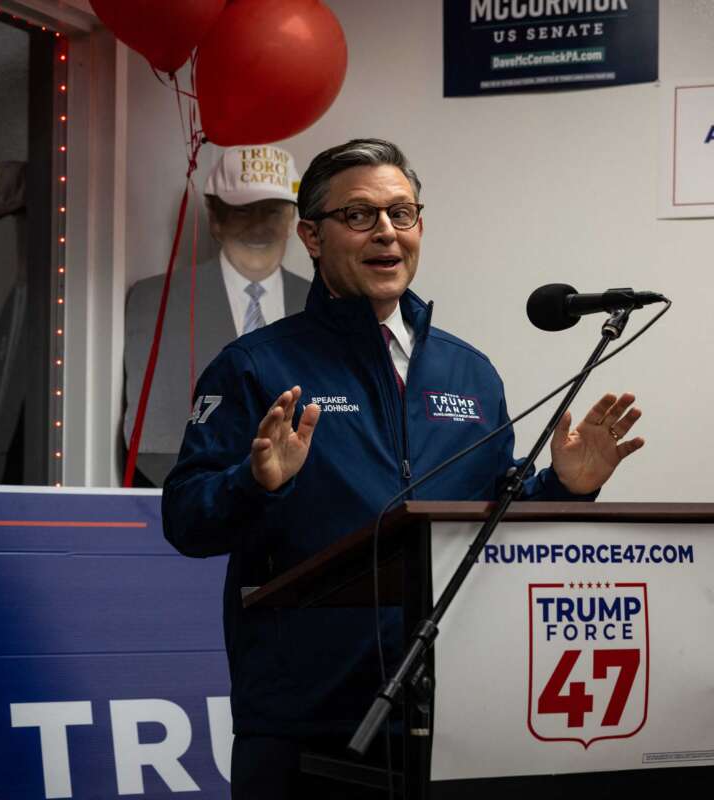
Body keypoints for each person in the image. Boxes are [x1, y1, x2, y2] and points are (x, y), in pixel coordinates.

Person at [161, 139, 645, 798]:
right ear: (310, 234)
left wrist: (565, 487)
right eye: (359, 215)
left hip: (448, 718)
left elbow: (487, 535)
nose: (387, 231)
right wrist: (254, 483)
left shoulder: (470, 372)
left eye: (402, 213)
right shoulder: (255, 367)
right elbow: (185, 519)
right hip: (306, 718)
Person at [124, 145, 312, 486]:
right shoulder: (156, 300)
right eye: (243, 211)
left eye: (272, 211)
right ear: (214, 218)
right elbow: (154, 437)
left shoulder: (320, 301)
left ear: (291, 221)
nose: (258, 227)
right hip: (195, 506)